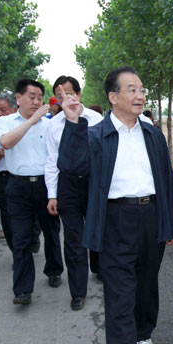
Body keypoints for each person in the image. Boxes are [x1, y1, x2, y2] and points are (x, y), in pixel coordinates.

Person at [59, 66, 173, 344]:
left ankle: (144, 333)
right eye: (132, 89)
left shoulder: (153, 134)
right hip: (116, 219)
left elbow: (164, 180)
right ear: (113, 97)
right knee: (119, 295)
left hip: (151, 215)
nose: (140, 95)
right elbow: (71, 166)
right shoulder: (95, 135)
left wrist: (171, 223)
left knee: (146, 282)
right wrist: (71, 123)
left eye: (142, 89)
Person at [0, 80, 64, 305]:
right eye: (32, 96)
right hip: (17, 186)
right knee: (21, 238)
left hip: (45, 184)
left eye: (40, 97)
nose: (36, 101)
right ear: (18, 98)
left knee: (51, 231)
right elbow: (6, 142)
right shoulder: (5, 122)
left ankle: (54, 269)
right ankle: (22, 289)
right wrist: (32, 120)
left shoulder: (49, 124)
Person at [45, 76, 103, 311]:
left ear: (79, 94)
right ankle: (78, 291)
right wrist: (52, 194)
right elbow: (51, 161)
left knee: (98, 230)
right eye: (60, 96)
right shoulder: (54, 124)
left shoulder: (95, 119)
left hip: (92, 183)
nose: (65, 99)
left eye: (69, 93)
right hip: (67, 186)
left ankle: (99, 269)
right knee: (73, 240)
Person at [0, 94, 18, 247]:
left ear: (14, 110)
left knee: (27, 217)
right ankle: (17, 251)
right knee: (7, 217)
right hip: (4, 177)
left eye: (3, 110)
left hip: (22, 177)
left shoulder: (24, 125)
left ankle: (32, 238)